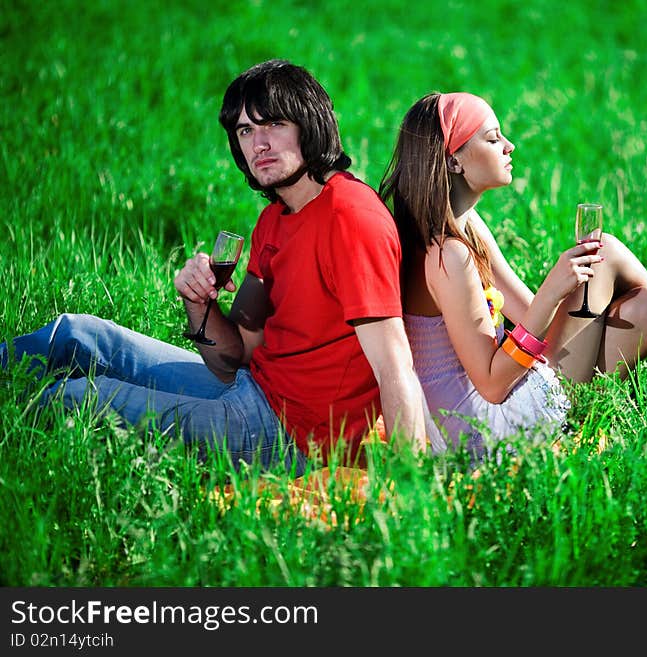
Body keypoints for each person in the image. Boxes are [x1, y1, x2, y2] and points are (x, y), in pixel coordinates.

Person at [0, 59, 429, 475]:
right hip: (253, 388)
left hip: (291, 437)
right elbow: (234, 357)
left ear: (311, 124)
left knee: (75, 398)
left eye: (274, 124)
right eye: (246, 130)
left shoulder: (351, 218)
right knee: (77, 334)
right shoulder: (274, 220)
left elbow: (394, 365)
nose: (258, 143)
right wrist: (197, 303)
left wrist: (408, 489)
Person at [378, 91, 647, 462]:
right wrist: (555, 287)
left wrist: (564, 297)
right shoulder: (446, 255)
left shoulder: (466, 229)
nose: (509, 146)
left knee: (646, 312)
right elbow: (491, 383)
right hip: (485, 433)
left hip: (498, 403)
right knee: (604, 250)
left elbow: (524, 312)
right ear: (454, 160)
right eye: (492, 138)